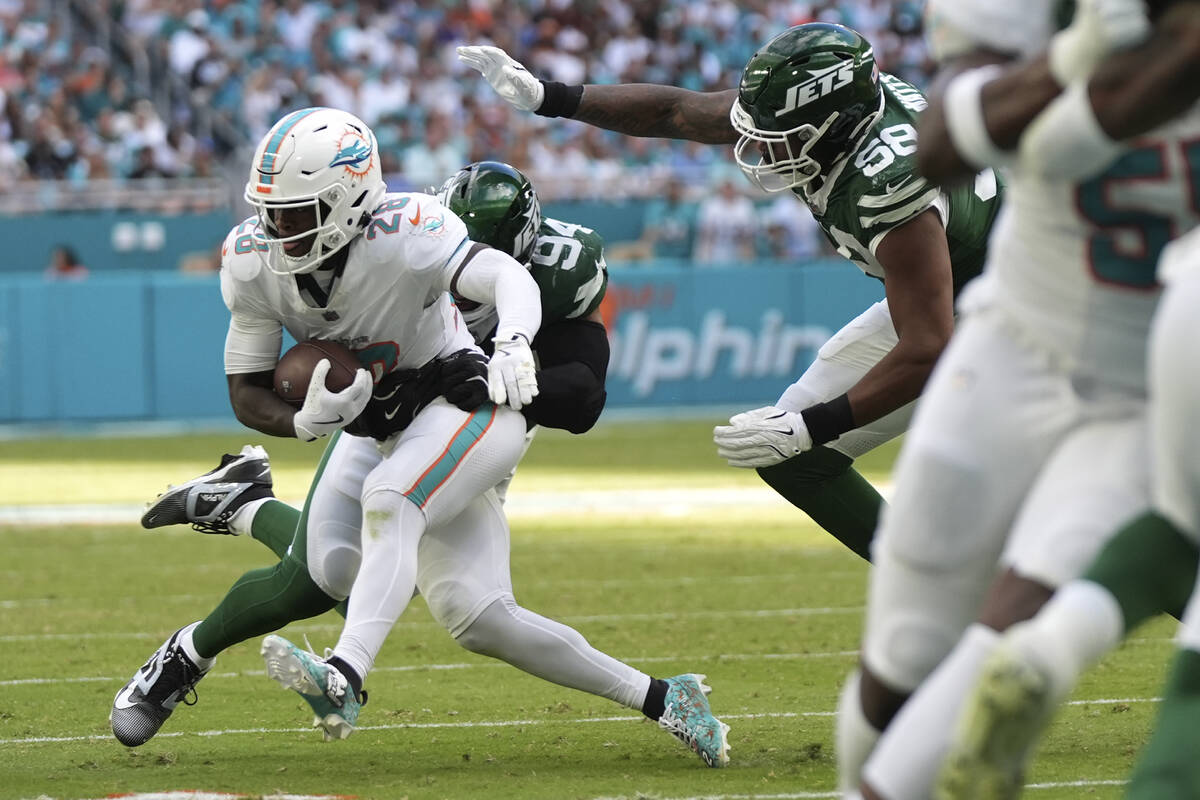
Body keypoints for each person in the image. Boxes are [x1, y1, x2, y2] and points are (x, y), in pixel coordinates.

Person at [112, 144, 730, 768]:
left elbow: (561, 362)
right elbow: (247, 386)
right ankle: (665, 699)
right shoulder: (265, 258)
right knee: (432, 602)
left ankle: (343, 678)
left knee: (392, 502)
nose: (281, 231)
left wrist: (512, 350)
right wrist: (302, 420)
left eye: (298, 214)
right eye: (276, 214)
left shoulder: (443, 242)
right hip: (377, 416)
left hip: (470, 404)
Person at [822, 2, 1200, 799]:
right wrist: (1082, 56)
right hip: (1015, 348)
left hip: (1151, 382)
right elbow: (944, 145)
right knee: (901, 660)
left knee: (1014, 616)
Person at [459, 23, 1003, 564]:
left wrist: (810, 424)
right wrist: (547, 96)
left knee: (1018, 483)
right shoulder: (847, 113)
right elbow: (678, 112)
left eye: (784, 136)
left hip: (1015, 316)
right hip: (952, 295)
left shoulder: (890, 189)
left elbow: (929, 343)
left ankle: (962, 589)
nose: (764, 149)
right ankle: (936, 582)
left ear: (836, 126)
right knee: (791, 457)